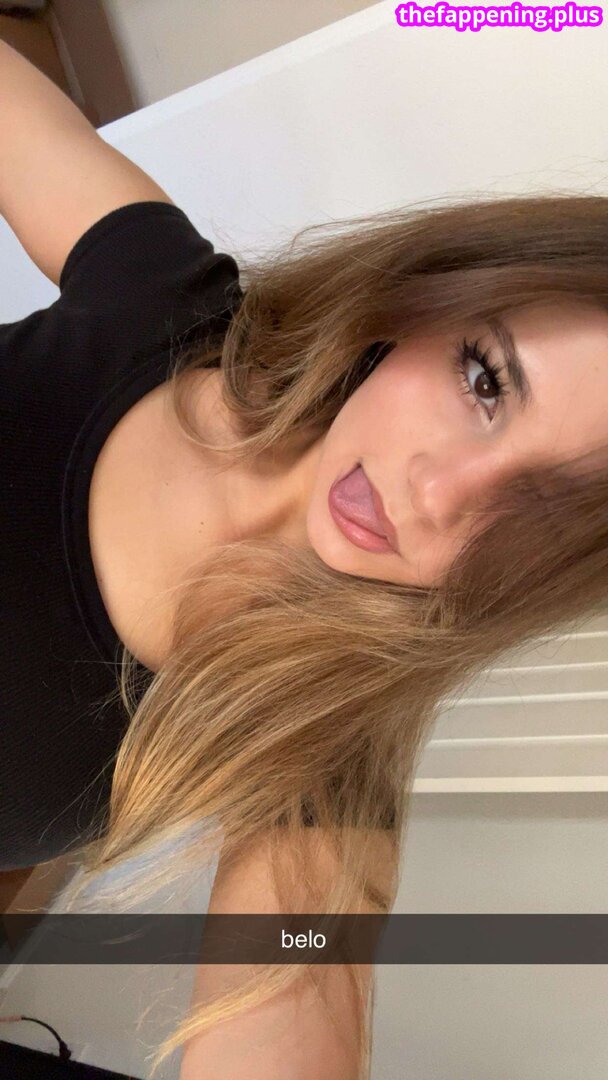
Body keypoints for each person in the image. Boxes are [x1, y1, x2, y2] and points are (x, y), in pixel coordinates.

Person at [2, 39, 608, 1080]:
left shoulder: (317, 747)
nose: (440, 493)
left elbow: (295, 986)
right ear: (427, 303)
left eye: (536, 513)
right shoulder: (164, 303)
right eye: (484, 381)